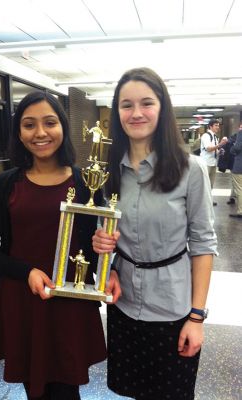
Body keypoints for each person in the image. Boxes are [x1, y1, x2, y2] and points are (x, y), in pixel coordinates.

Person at [92, 67, 217, 400]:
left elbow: (204, 245)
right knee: (134, 392)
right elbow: (106, 232)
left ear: (162, 109)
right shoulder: (108, 171)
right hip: (125, 308)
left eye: (146, 103)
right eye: (126, 105)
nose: (136, 113)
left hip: (174, 310)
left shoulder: (190, 170)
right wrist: (108, 262)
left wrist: (197, 317)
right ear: (116, 112)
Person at [0, 91, 106, 400]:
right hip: (23, 300)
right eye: (29, 125)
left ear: (63, 127)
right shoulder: (7, 183)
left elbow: (94, 245)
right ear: (19, 133)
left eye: (50, 122)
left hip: (69, 303)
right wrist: (27, 272)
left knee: (65, 388)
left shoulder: (86, 182)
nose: (41, 133)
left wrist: (105, 252)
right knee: (34, 389)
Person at [200, 118, 228, 205]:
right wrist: (220, 144)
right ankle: (201, 202)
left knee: (211, 184)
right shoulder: (206, 136)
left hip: (213, 163)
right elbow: (208, 149)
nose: (217, 127)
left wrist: (220, 151)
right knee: (204, 184)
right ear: (210, 126)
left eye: (218, 126)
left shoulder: (215, 137)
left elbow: (214, 150)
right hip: (206, 163)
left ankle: (208, 201)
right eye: (216, 125)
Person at [229, 123, 242, 218]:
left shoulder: (240, 134)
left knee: (239, 189)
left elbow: (237, 148)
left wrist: (231, 149)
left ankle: (241, 211)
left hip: (239, 166)